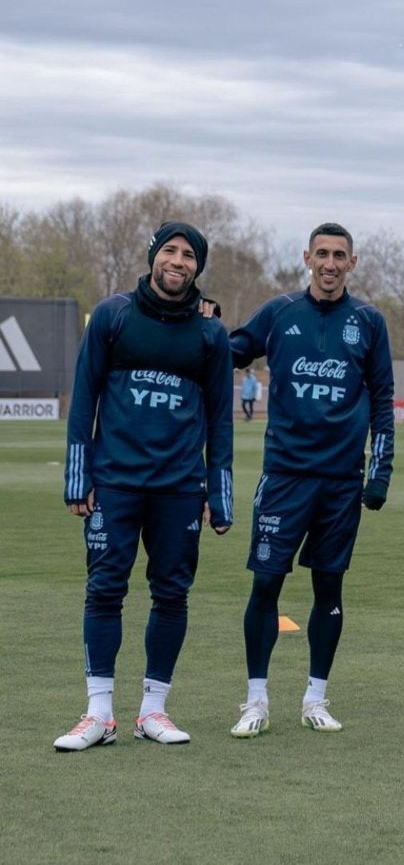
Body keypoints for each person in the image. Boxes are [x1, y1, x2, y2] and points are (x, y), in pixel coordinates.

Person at [55, 222, 234, 752]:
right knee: (104, 591)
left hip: (179, 487)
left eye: (189, 256)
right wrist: (77, 476)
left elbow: (221, 420)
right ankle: (99, 714)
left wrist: (218, 492)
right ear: (154, 256)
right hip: (114, 483)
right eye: (170, 251)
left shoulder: (210, 335)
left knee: (171, 594)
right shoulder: (113, 316)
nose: (178, 262)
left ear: (198, 268)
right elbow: (83, 400)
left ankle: (153, 711)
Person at [228, 222, 394, 738]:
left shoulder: (368, 321)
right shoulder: (280, 313)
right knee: (266, 584)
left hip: (341, 482)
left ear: (352, 262)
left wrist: (379, 471)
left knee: (330, 588)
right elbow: (227, 350)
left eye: (338, 255)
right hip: (284, 476)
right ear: (306, 257)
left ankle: (315, 698)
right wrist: (194, 327)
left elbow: (383, 400)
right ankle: (256, 700)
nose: (329, 263)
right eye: (321, 253)